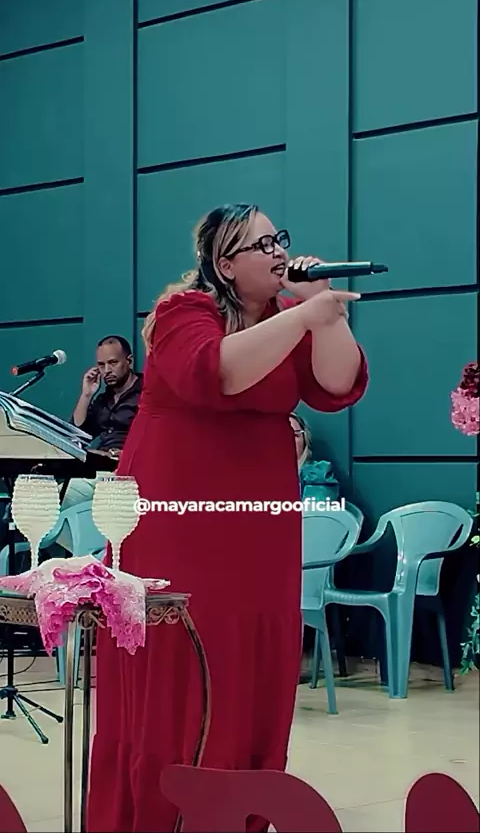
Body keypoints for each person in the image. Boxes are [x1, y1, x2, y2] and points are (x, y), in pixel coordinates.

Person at [87, 203, 368, 833]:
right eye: (261, 244)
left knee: (251, 659)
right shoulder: (182, 313)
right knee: (184, 656)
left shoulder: (288, 316)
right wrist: (302, 317)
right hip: (177, 519)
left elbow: (337, 383)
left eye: (279, 240)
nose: (279, 252)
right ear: (225, 263)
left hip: (259, 524)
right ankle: (161, 813)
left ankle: (238, 810)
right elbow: (217, 370)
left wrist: (326, 313)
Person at [55, 337, 143, 551]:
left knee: (105, 512)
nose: (107, 371)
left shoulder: (146, 393)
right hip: (98, 470)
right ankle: (91, 555)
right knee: (50, 504)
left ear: (129, 361)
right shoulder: (103, 400)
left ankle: (103, 555)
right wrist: (86, 394)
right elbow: (76, 434)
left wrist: (125, 454)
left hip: (129, 473)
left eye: (113, 363)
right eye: (101, 365)